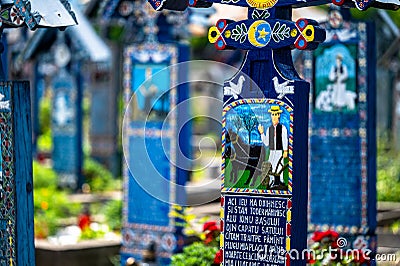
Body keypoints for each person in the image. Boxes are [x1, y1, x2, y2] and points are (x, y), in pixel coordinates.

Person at [258, 105, 288, 189]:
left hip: (279, 151)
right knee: (270, 166)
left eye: (276, 114)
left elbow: (284, 139)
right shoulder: (269, 129)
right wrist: (261, 133)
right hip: (271, 151)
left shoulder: (283, 128)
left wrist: (285, 150)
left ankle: (279, 183)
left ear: (278, 115)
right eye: (273, 114)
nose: (274, 117)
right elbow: (266, 142)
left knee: (278, 167)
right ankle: (271, 183)